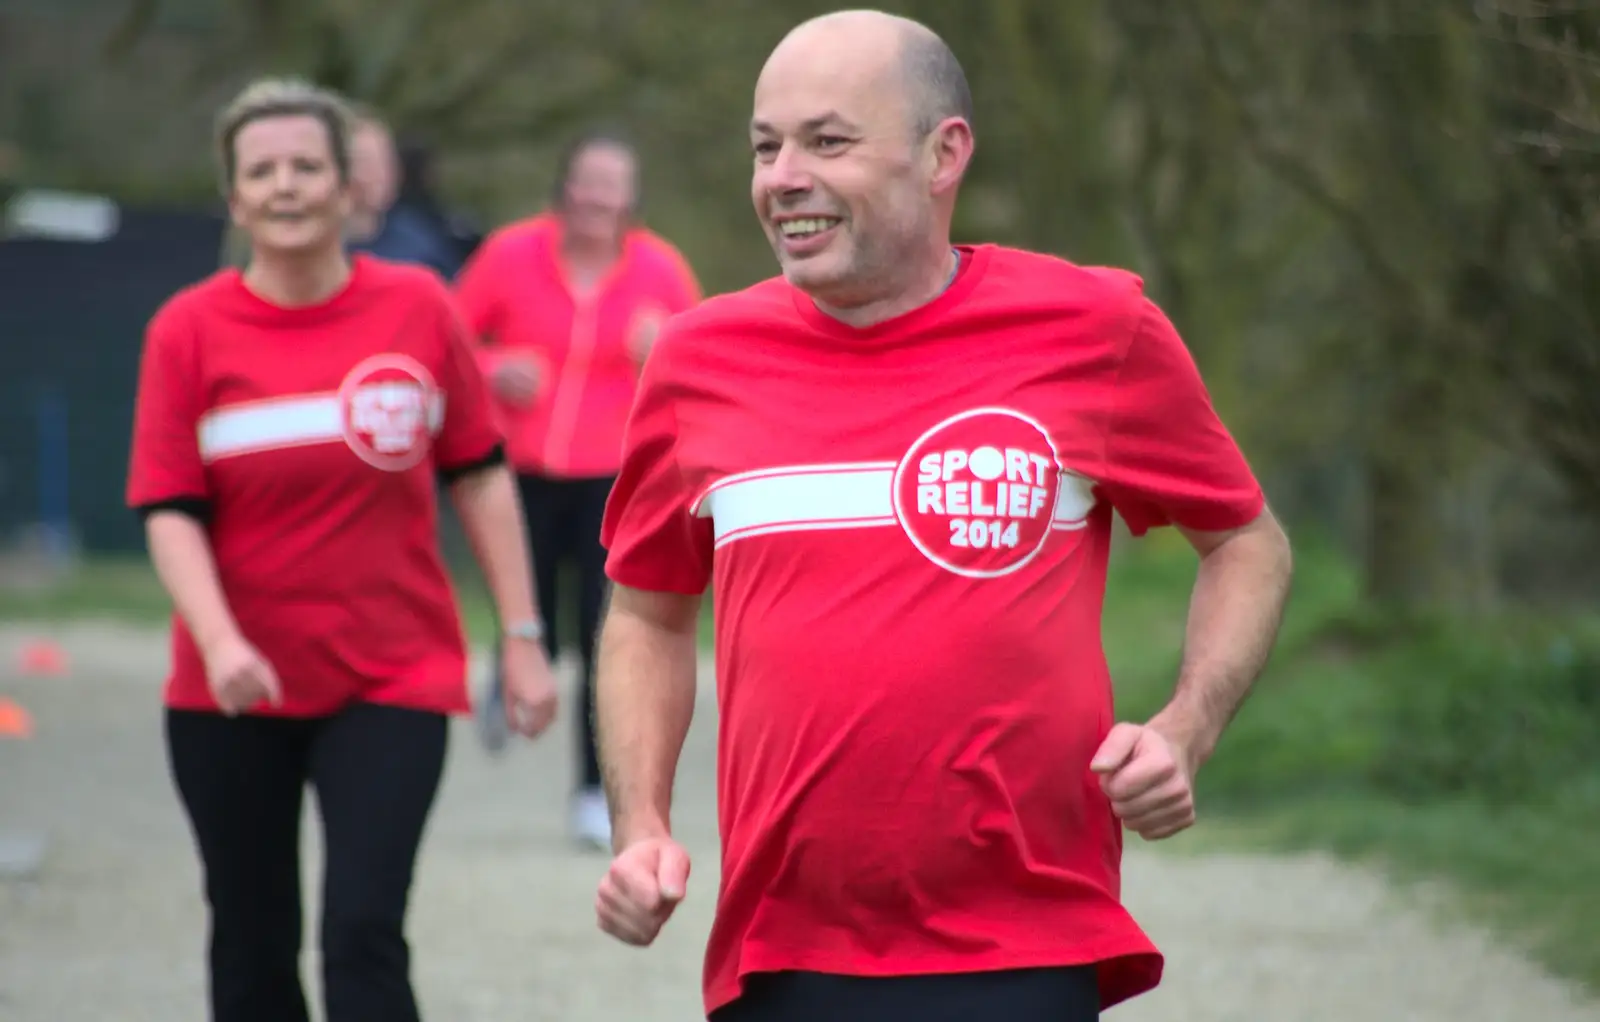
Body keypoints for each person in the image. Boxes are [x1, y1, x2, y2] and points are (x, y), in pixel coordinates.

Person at [591, 10, 1294, 1022]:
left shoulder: (1096, 329)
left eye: (827, 141)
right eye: (765, 145)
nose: (783, 174)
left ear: (942, 153)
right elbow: (646, 614)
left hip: (1030, 926)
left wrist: (1187, 727)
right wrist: (640, 825)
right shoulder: (697, 360)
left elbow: (1245, 542)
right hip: (783, 938)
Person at [125, 77, 559, 1022]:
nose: (286, 186)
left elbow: (480, 474)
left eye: (306, 167)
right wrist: (222, 639)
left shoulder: (418, 307)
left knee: (363, 930)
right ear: (235, 198)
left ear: (349, 187)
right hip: (232, 690)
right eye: (262, 171)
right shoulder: (186, 332)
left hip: (391, 676)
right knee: (252, 940)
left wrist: (522, 636)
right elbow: (168, 508)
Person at [451, 127, 703, 849]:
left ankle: (595, 790)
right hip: (517, 467)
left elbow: (703, 366)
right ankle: (509, 667)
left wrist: (666, 351)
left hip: (613, 473)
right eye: (586, 181)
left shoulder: (660, 271)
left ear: (632, 199)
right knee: (527, 605)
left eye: (611, 184)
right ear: (564, 188)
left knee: (602, 632)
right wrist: (491, 367)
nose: (596, 197)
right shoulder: (508, 254)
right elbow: (444, 338)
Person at [346, 114, 479, 280]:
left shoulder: (422, 240)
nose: (381, 174)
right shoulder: (317, 246)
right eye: (365, 163)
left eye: (387, 161)